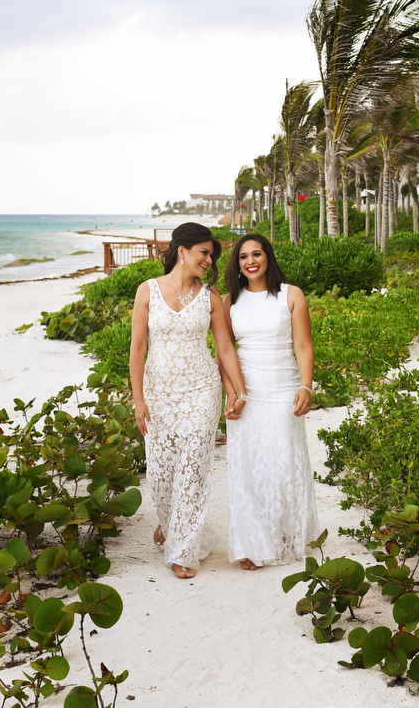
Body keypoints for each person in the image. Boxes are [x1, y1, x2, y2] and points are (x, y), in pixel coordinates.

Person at [130, 223, 248, 580]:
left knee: (193, 470)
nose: (209, 260)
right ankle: (170, 524)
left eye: (211, 255)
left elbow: (225, 348)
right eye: (204, 252)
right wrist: (138, 399)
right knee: (161, 474)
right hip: (158, 393)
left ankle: (182, 550)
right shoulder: (147, 291)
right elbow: (137, 349)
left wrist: (237, 390)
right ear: (182, 251)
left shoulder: (210, 297)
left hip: (201, 391)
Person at [221, 234, 321, 570]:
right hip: (247, 394)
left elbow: (303, 346)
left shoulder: (291, 295)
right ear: (237, 264)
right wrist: (233, 394)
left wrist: (306, 387)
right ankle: (253, 543)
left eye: (257, 254)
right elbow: (224, 353)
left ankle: (284, 536)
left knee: (280, 466)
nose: (251, 261)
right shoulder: (227, 302)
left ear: (268, 257)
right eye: (244, 256)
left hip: (283, 389)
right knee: (248, 467)